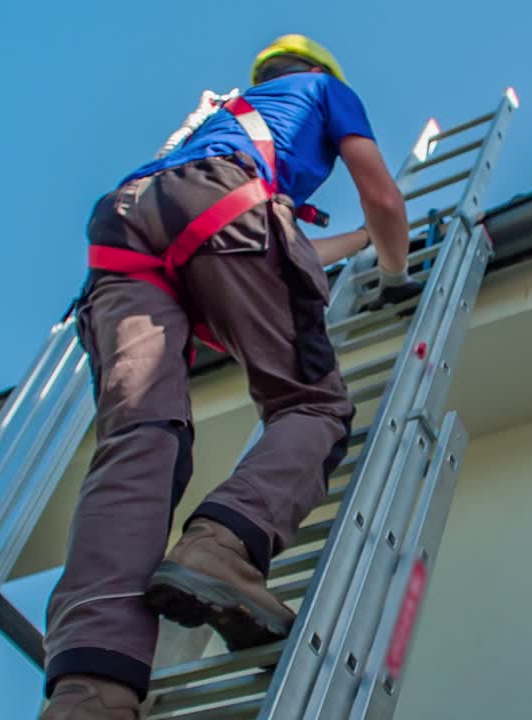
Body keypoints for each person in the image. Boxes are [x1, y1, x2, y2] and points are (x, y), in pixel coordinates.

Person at [40, 34, 421, 719]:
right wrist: (395, 266)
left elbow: (264, 233)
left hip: (127, 224)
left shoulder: (221, 118)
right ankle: (223, 546)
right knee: (314, 406)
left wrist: (356, 245)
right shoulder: (325, 92)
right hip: (226, 208)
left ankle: (90, 691)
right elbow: (384, 202)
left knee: (141, 442)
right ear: (317, 72)